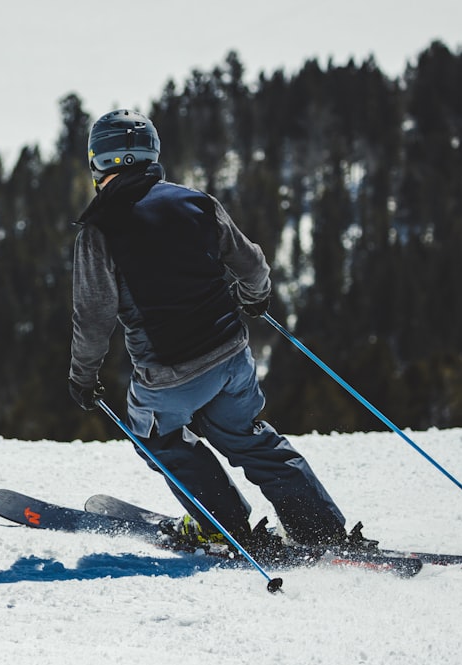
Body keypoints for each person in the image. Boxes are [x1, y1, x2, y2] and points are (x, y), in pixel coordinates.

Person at [68, 109, 375, 553]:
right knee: (249, 438)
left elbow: (93, 316)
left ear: (98, 163)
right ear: (153, 154)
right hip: (231, 357)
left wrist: (82, 376)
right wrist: (256, 296)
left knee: (157, 440)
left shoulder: (98, 233)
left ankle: (222, 525)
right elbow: (251, 264)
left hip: (168, 375)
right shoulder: (197, 203)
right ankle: (321, 530)